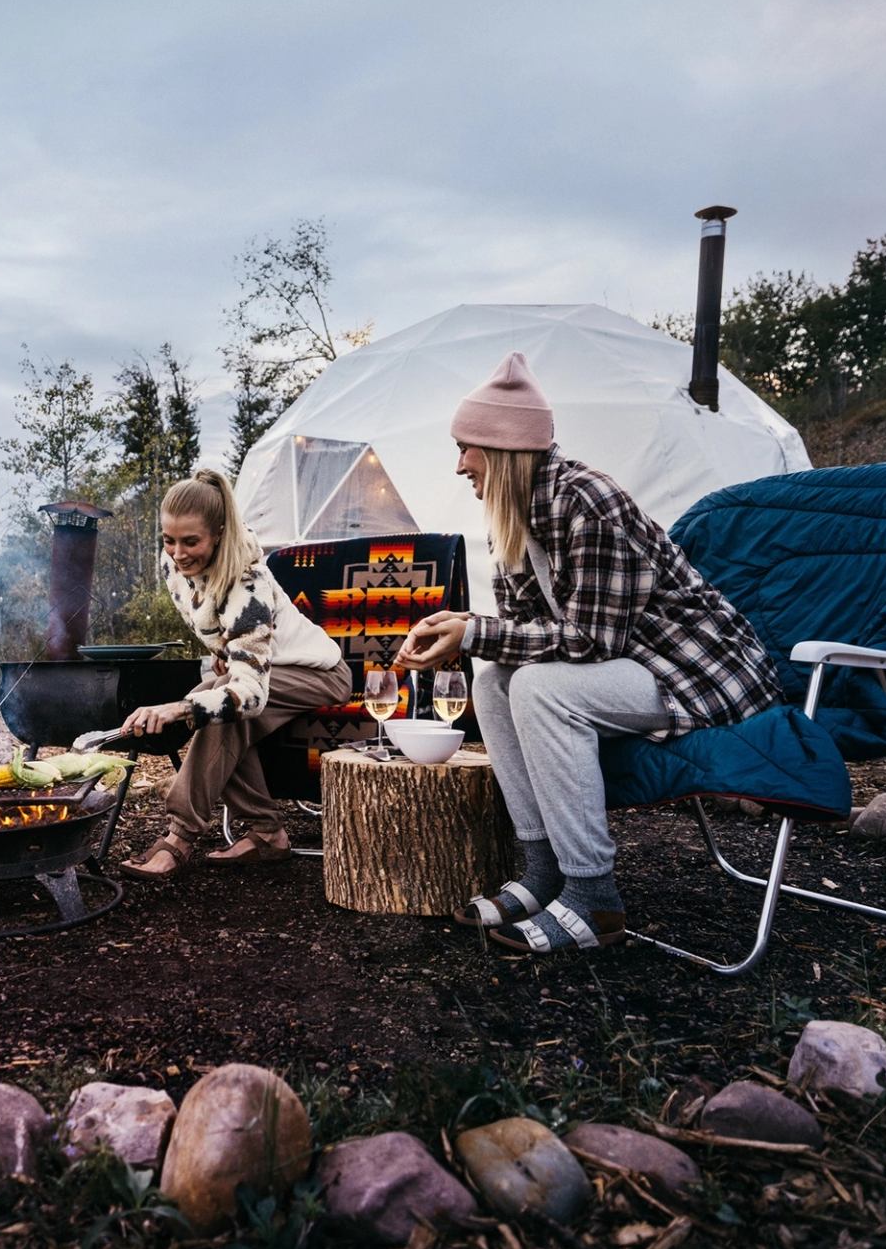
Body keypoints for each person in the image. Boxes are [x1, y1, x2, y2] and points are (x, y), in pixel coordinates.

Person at [396, 352, 784, 954]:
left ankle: (593, 897)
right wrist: (468, 630)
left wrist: (474, 630)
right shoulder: (515, 516)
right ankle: (543, 867)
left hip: (695, 671)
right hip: (633, 666)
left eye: (465, 447)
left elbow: (589, 641)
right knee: (497, 680)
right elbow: (526, 632)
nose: (458, 466)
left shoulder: (588, 500)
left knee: (538, 686)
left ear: (501, 448)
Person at [117, 469, 353, 878]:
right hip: (270, 668)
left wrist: (178, 708)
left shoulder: (249, 583)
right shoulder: (173, 564)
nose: (177, 553)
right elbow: (212, 622)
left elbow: (251, 695)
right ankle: (267, 833)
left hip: (321, 673)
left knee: (218, 700)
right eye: (168, 539)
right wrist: (230, 652)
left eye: (191, 541)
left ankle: (180, 835)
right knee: (218, 699)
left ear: (220, 533)